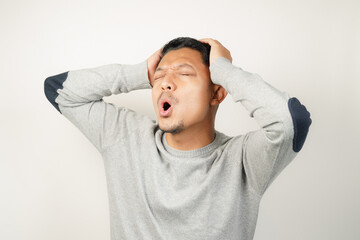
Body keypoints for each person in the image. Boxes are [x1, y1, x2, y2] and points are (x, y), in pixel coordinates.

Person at [44, 37, 312, 240]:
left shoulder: (243, 161)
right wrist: (141, 73)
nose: (165, 83)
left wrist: (225, 71)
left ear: (217, 94)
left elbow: (291, 122)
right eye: (159, 76)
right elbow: (58, 89)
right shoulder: (124, 136)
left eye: (184, 74)